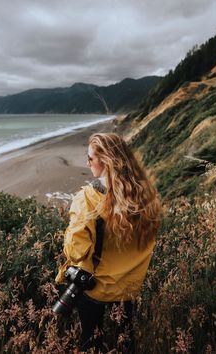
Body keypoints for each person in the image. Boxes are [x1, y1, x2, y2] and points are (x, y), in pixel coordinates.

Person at [55, 133, 161, 352]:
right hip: (129, 289)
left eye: (90, 158)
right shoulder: (146, 196)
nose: (87, 163)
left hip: (96, 289)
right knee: (126, 344)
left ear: (106, 161)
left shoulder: (88, 198)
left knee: (90, 343)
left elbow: (76, 251)